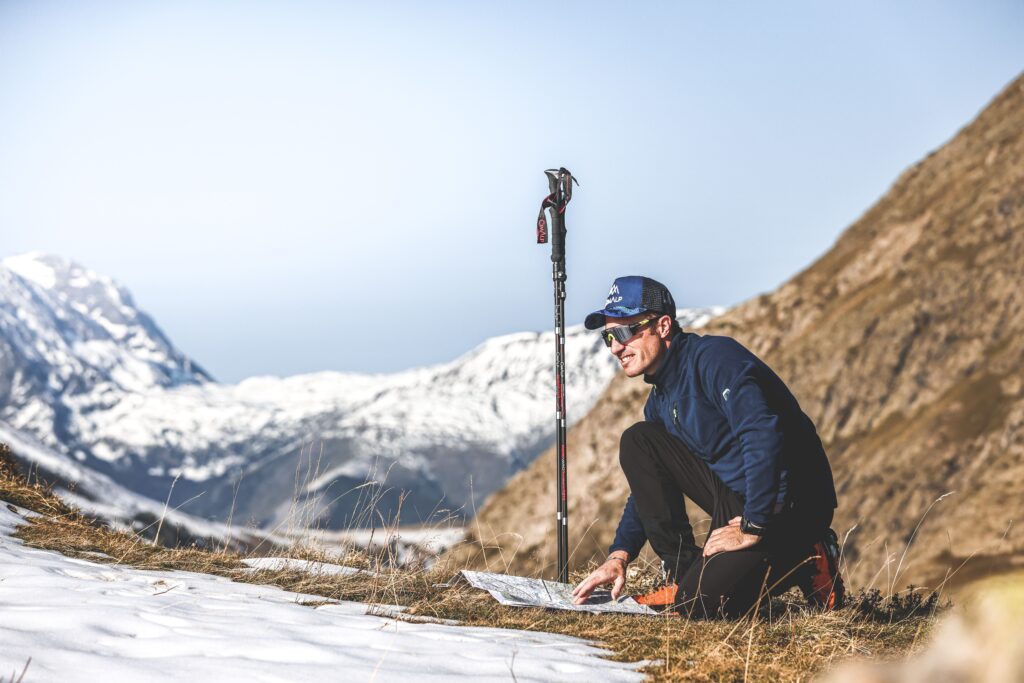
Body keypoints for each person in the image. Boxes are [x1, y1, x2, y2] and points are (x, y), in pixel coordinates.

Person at [570, 275, 844, 618]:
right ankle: (684, 574)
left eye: (624, 333)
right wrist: (619, 555)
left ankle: (810, 554)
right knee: (639, 442)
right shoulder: (659, 400)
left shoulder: (715, 359)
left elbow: (762, 432)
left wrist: (754, 525)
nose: (614, 347)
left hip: (787, 503)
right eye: (608, 336)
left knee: (702, 607)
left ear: (663, 325)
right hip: (735, 498)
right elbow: (646, 488)